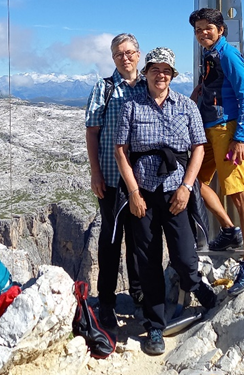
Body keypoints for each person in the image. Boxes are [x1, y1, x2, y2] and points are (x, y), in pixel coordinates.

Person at [114, 47, 216, 356]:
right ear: (145, 72)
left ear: (173, 74)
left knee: (185, 255)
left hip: (176, 192)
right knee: (148, 261)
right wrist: (133, 192)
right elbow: (122, 150)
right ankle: (154, 326)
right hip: (143, 193)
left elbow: (199, 147)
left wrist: (186, 187)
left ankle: (196, 285)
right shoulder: (131, 107)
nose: (161, 75)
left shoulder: (186, 106)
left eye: (166, 70)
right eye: (155, 69)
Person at [189, 7, 244, 297]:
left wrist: (240, 137)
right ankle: (228, 228)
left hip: (226, 130)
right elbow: (223, 83)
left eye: (208, 28)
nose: (202, 33)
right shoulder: (211, 56)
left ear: (221, 29)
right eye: (198, 29)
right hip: (209, 128)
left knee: (239, 194)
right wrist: (200, 90)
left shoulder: (227, 54)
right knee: (195, 180)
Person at [85, 33, 146, 329]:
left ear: (139, 54)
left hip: (143, 182)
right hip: (110, 178)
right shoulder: (104, 89)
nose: (125, 57)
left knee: (140, 240)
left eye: (130, 52)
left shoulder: (149, 86)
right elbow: (92, 132)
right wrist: (95, 172)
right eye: (119, 53)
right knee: (110, 242)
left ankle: (139, 295)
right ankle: (106, 302)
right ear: (113, 59)